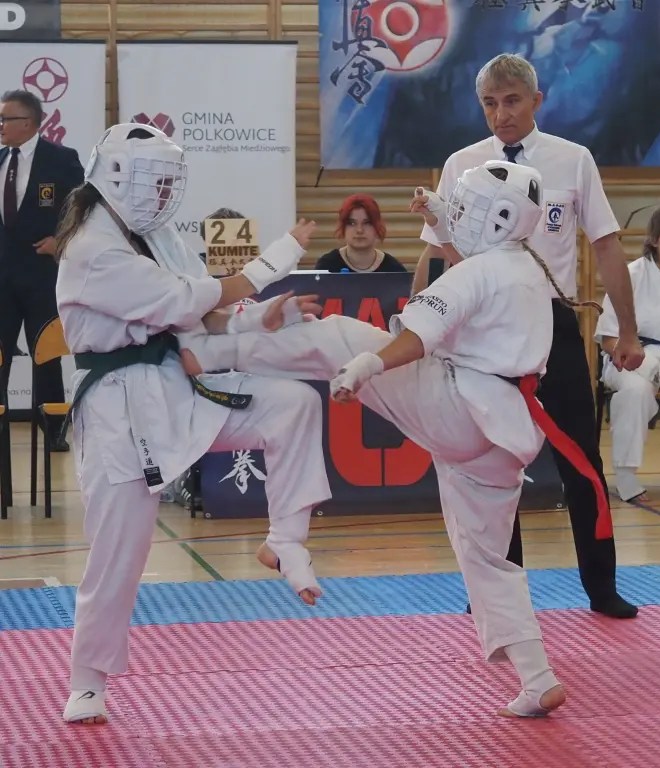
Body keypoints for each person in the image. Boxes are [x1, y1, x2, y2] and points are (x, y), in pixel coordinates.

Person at [180, 160, 618, 717]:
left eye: (465, 208)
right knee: (485, 557)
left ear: (494, 217)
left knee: (339, 336)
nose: (458, 214)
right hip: (503, 435)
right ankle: (537, 677)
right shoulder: (527, 267)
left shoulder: (476, 274)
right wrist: (439, 217)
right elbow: (474, 265)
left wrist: (368, 365)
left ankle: (214, 352)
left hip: (456, 405)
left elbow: (415, 337)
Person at [55, 123, 331, 724]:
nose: (161, 195)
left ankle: (286, 540)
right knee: (118, 550)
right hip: (118, 410)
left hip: (177, 387)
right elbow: (186, 300)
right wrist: (280, 256)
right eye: (152, 182)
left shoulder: (155, 235)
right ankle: (87, 680)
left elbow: (202, 314)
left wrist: (263, 317)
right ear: (117, 178)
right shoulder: (92, 247)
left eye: (166, 183)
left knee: (295, 404)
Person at [411, 53, 643, 619]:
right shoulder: (462, 164)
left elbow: (606, 245)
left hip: (551, 323)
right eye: (490, 104)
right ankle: (496, 591)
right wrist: (417, 323)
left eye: (512, 101)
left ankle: (602, 586)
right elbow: (436, 252)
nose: (501, 114)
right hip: (484, 331)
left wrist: (628, 331)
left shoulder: (572, 159)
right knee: (490, 466)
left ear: (537, 101)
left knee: (581, 459)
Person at [0, 89, 84, 451]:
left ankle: (53, 431)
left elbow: (83, 209)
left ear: (28, 123)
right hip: (2, 276)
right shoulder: (1, 159)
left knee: (46, 355)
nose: (1, 126)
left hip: (43, 274)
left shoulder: (61, 159)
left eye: (5, 119)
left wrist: (60, 240)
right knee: (0, 353)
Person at [595, 207, 660, 503]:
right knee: (635, 390)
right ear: (655, 240)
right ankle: (625, 477)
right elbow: (608, 338)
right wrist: (631, 356)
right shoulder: (631, 276)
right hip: (631, 357)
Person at [315, 193, 407, 273]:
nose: (359, 230)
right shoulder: (327, 266)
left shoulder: (394, 269)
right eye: (352, 223)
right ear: (343, 227)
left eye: (367, 223)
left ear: (377, 226)